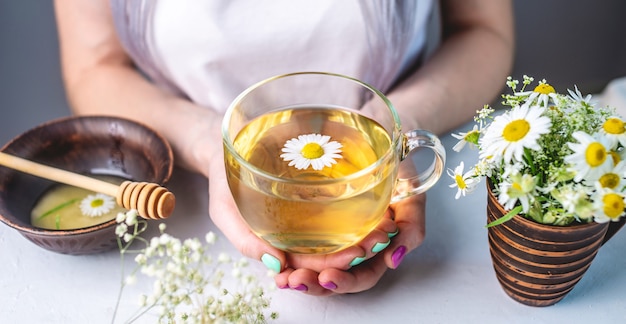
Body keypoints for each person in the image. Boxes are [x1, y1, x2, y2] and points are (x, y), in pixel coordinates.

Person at [53, 0, 514, 296]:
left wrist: (399, 127)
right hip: (187, 206)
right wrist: (213, 145)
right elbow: (96, 66)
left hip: (430, 261)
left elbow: (480, 29)